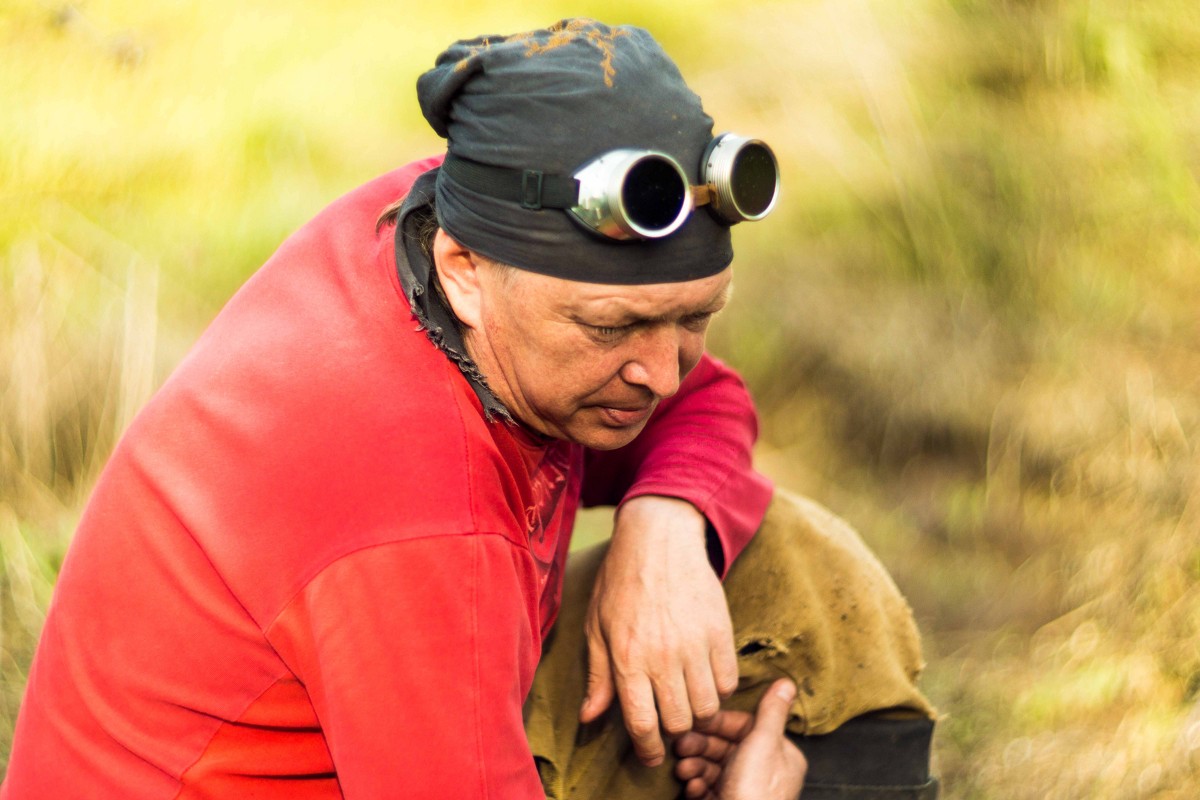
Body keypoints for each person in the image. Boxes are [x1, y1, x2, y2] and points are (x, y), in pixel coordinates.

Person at [3, 19, 934, 799]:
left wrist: (667, 518)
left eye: (692, 318)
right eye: (614, 329)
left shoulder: (463, 223)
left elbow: (710, 402)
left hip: (393, 731)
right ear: (466, 274)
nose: (660, 373)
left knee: (794, 569)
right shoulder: (410, 507)